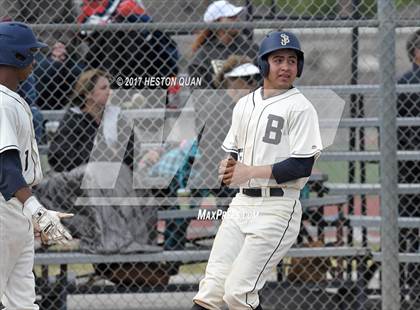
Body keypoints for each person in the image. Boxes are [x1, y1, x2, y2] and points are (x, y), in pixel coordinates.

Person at [191, 31, 323, 310]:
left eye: (291, 60)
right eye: (277, 60)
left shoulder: (301, 108)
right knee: (211, 289)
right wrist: (228, 165)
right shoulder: (244, 104)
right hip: (242, 204)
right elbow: (233, 151)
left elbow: (301, 165)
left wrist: (249, 171)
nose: (285, 66)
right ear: (264, 65)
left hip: (277, 208)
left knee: (238, 293)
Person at [0, 22, 73, 310]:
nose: (34, 58)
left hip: (13, 209)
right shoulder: (1, 103)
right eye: (30, 52)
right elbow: (4, 167)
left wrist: (28, 210)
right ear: (14, 56)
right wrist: (36, 210)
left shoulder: (11, 99)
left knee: (22, 304)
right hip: (5, 208)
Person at [396, 29, 420, 293]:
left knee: (409, 231)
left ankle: (409, 284)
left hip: (404, 172)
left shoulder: (401, 83)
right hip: (411, 171)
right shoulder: (407, 83)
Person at [188, 0, 259, 89]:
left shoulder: (251, 48)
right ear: (217, 22)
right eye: (231, 17)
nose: (237, 20)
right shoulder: (202, 55)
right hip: (216, 101)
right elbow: (199, 92)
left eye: (236, 16)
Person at [34, 41, 84, 110]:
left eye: (61, 47)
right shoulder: (43, 64)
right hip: (43, 98)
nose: (58, 48)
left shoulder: (72, 67)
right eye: (55, 48)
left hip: (61, 96)